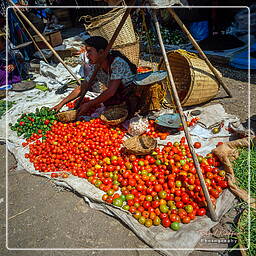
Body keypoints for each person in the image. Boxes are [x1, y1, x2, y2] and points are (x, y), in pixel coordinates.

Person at [53, 36, 139, 117]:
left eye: (89, 51)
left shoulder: (117, 63)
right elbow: (82, 88)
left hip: (129, 95)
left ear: (101, 52)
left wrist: (89, 104)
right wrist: (62, 103)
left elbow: (110, 91)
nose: (87, 55)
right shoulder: (96, 67)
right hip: (117, 97)